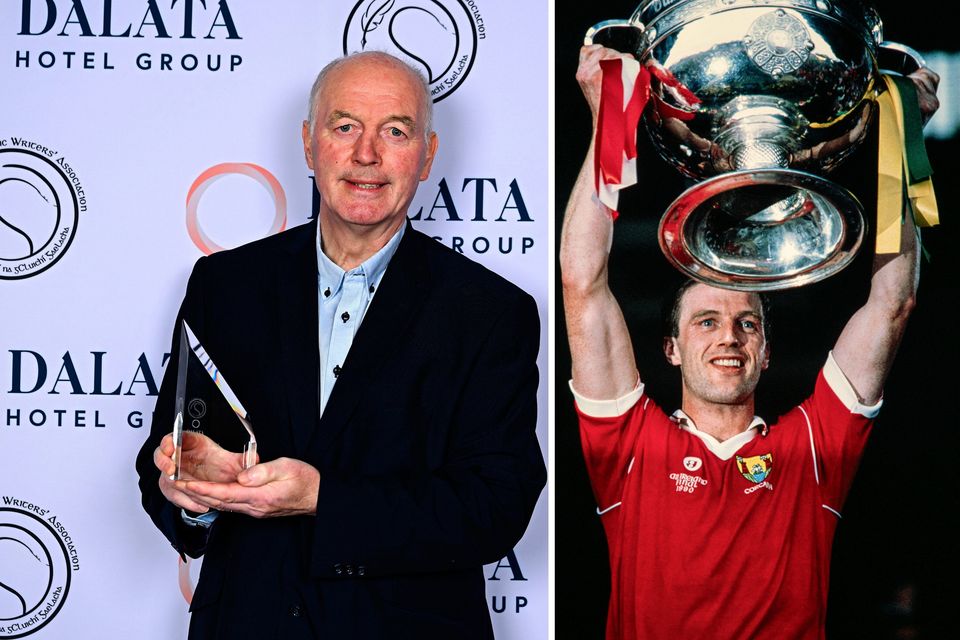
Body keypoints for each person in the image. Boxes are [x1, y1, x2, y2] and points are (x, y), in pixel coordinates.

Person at [136, 51, 545, 639]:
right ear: (309, 144)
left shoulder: (490, 311)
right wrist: (190, 494)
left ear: (428, 156)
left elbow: (495, 505)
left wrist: (324, 499)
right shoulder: (225, 286)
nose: (366, 154)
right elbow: (166, 456)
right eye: (345, 126)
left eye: (395, 131)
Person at [560, 44, 939, 638]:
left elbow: (892, 304)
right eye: (705, 321)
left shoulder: (813, 450)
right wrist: (608, 122)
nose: (729, 337)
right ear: (671, 349)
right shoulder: (629, 445)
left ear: (766, 353)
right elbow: (582, 283)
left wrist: (904, 137)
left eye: (748, 323)